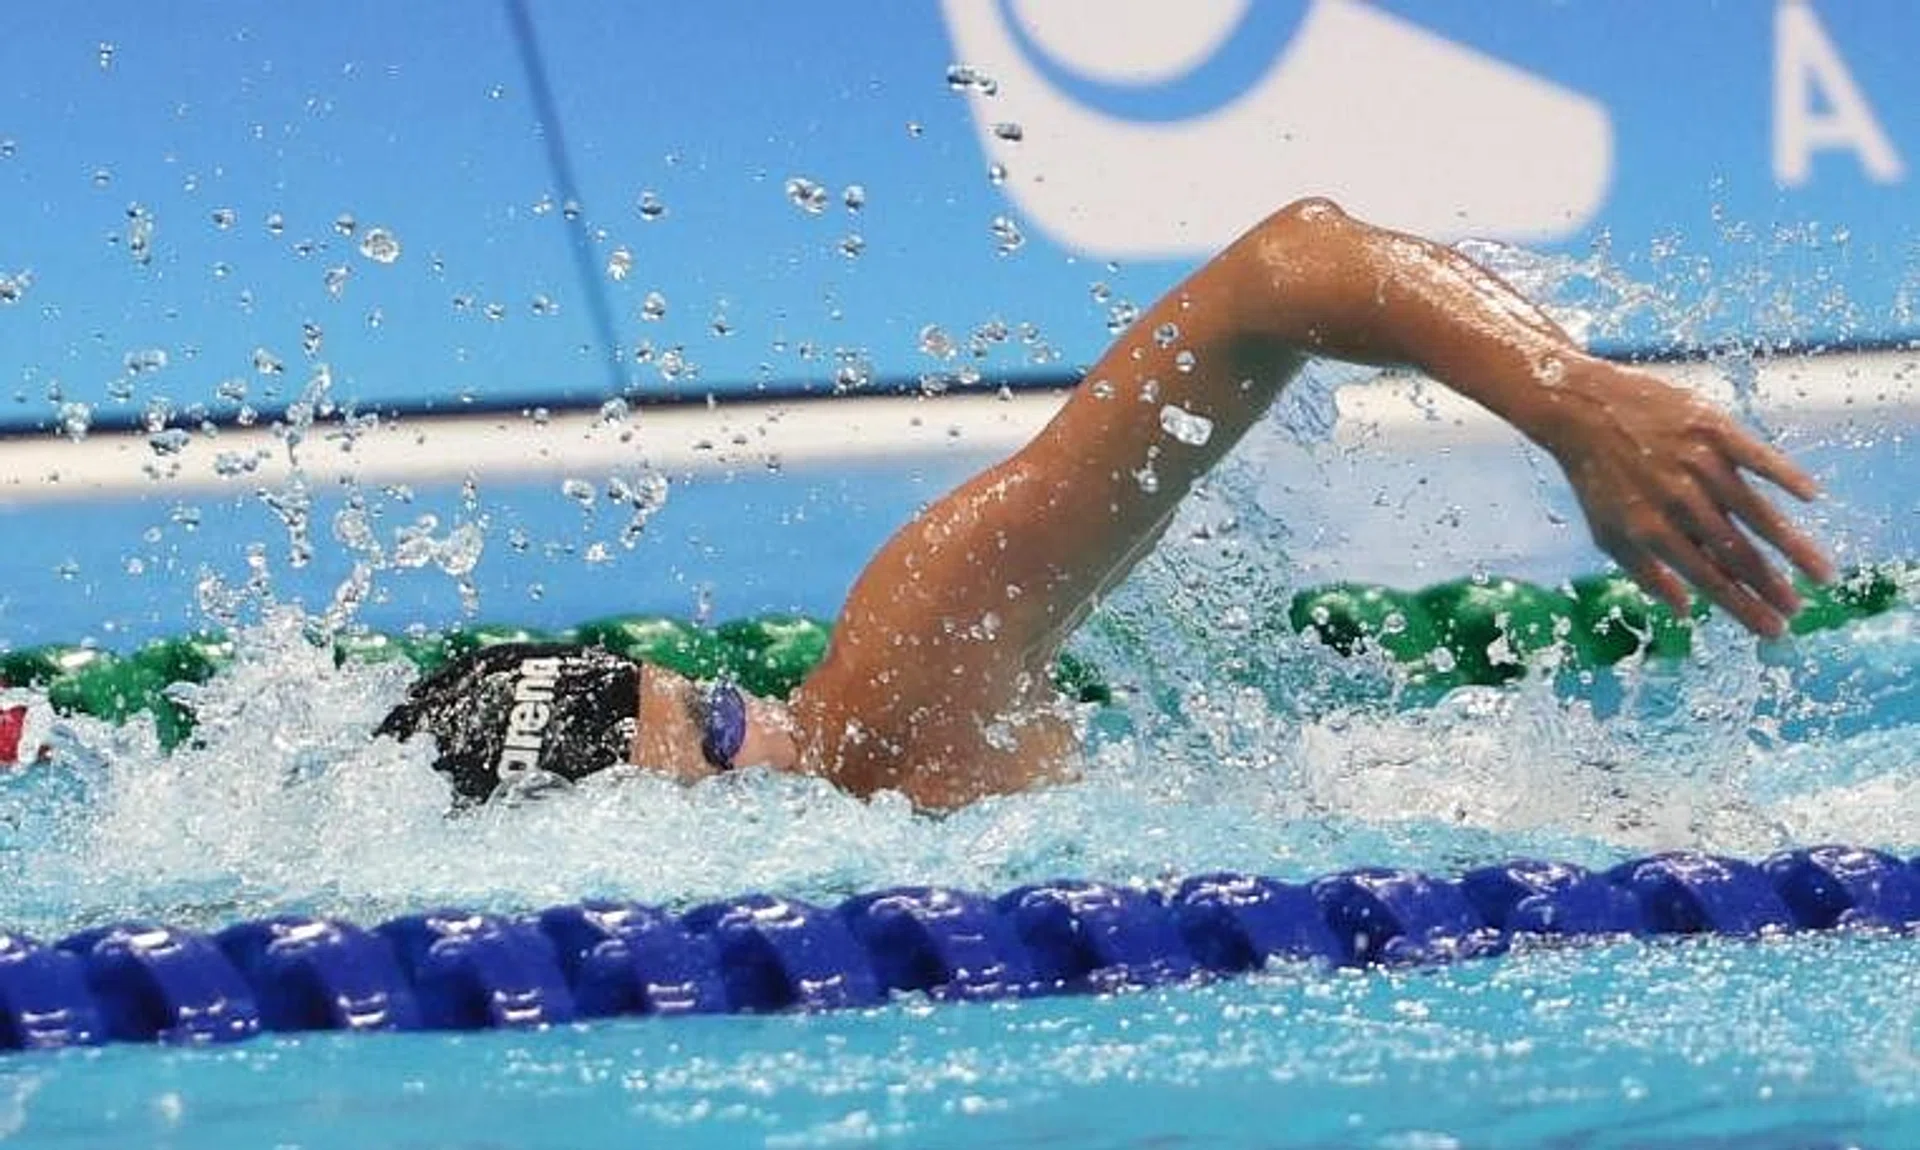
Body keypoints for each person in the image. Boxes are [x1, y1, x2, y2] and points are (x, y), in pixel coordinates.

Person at [378, 199, 1834, 810]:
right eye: (711, 751)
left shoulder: (900, 674)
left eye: (715, 707)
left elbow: (1289, 267)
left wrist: (1570, 401)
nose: (761, 738)